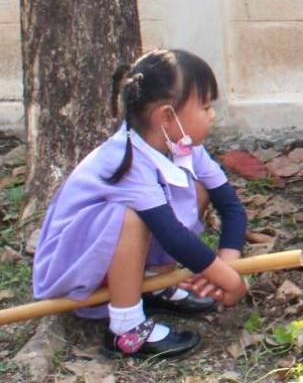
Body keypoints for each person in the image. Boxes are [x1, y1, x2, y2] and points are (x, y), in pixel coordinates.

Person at [31, 49, 248, 359]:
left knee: (196, 188)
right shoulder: (126, 159)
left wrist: (228, 263)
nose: (212, 115)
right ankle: (125, 327)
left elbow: (231, 207)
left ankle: (155, 284)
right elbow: (173, 237)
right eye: (204, 106)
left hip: (114, 257)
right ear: (167, 117)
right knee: (130, 216)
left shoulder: (184, 148)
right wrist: (228, 280)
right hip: (74, 265)